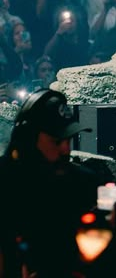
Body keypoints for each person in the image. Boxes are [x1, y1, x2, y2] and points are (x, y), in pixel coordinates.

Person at [0, 89, 98, 277]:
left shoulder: (83, 182)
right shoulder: (5, 183)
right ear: (28, 140)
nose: (65, 150)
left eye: (69, 140)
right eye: (57, 141)